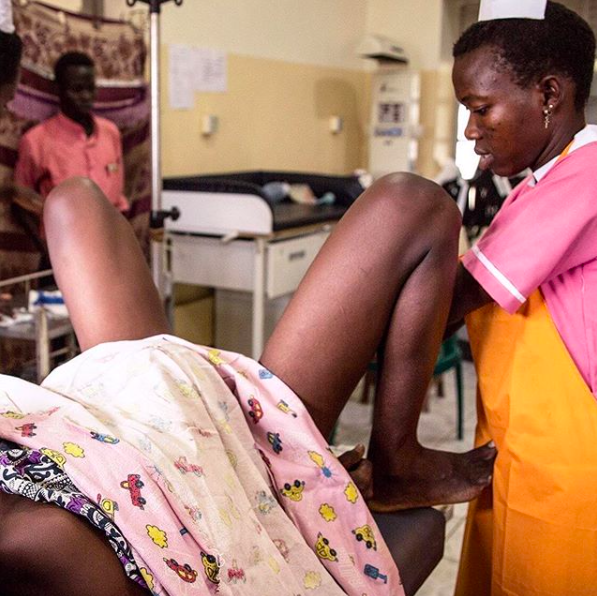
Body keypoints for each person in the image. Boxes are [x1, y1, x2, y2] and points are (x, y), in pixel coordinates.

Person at [439, 2, 597, 595]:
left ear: (549, 93)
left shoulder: (587, 175)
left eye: (481, 109)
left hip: (570, 469)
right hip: (514, 452)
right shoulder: (537, 183)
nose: (470, 130)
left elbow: (455, 297)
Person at [14, 51, 129, 213]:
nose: (86, 96)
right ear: (58, 89)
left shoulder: (110, 133)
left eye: (91, 88)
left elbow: (118, 199)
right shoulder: (36, 141)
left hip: (111, 235)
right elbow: (21, 200)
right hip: (60, 237)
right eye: (77, 89)